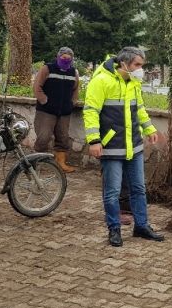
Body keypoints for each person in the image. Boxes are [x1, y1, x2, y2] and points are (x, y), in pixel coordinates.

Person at [83, 47, 164, 247]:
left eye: (141, 66)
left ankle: (142, 226)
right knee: (112, 192)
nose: (140, 70)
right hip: (111, 146)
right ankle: (114, 229)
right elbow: (91, 111)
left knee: (138, 189)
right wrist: (94, 140)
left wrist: (149, 129)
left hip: (133, 146)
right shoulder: (101, 81)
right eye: (137, 65)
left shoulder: (133, 83)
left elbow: (140, 110)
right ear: (124, 63)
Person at [33, 47, 80, 173]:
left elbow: (75, 89)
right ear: (58, 57)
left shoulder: (73, 72)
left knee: (63, 138)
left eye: (68, 58)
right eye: (63, 57)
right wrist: (44, 100)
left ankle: (61, 163)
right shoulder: (47, 68)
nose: (66, 60)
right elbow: (37, 86)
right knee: (44, 137)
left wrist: (72, 102)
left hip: (64, 112)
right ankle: (37, 162)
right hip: (46, 111)